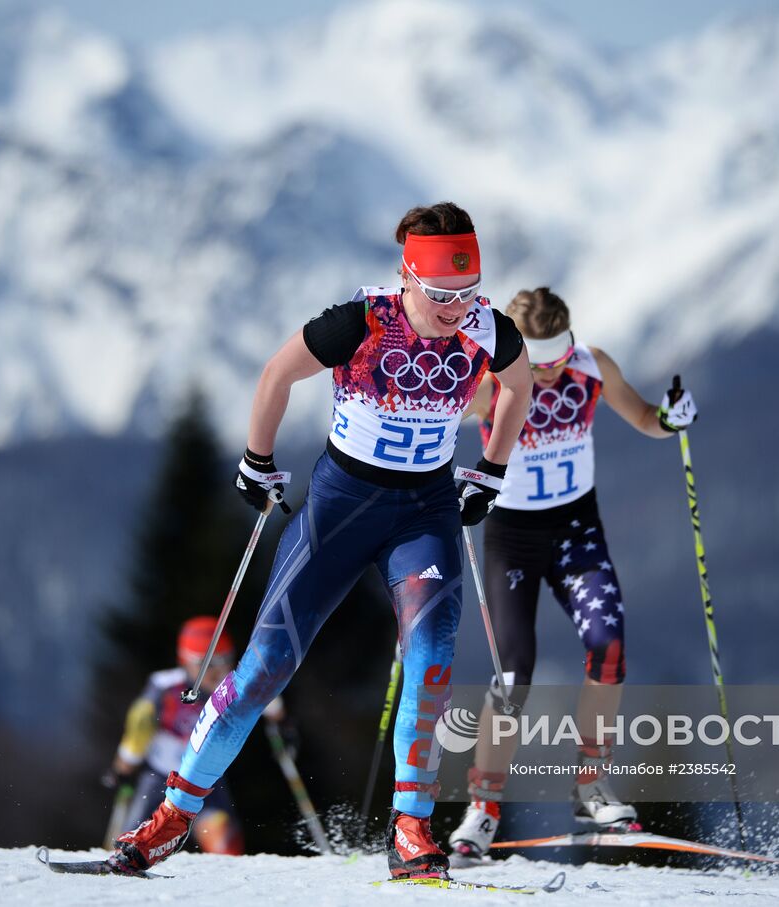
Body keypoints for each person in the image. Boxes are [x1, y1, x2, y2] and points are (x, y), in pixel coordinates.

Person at [107, 202, 533, 879]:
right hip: (340, 508)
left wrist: (491, 469)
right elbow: (278, 373)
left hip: (422, 512)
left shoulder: (489, 329)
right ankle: (171, 818)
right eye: (440, 294)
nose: (456, 308)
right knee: (264, 665)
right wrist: (256, 458)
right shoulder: (362, 321)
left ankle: (412, 829)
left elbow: (520, 384)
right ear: (407, 276)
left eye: (468, 293)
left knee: (431, 657)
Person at [447, 287, 697, 860]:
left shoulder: (592, 364)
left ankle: (590, 785)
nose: (552, 373)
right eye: (538, 364)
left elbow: (643, 418)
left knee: (608, 648)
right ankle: (483, 807)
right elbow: (436, 414)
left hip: (576, 532)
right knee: (515, 676)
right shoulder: (490, 380)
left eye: (558, 359)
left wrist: (670, 418)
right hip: (512, 537)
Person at [104, 617, 252, 855]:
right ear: (186, 662)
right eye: (206, 663)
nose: (217, 671)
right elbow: (140, 722)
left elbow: (264, 694)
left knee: (224, 840)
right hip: (159, 778)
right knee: (128, 842)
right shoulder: (166, 686)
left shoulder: (232, 687)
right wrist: (125, 765)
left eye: (225, 659)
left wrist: (282, 722)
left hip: (205, 779)